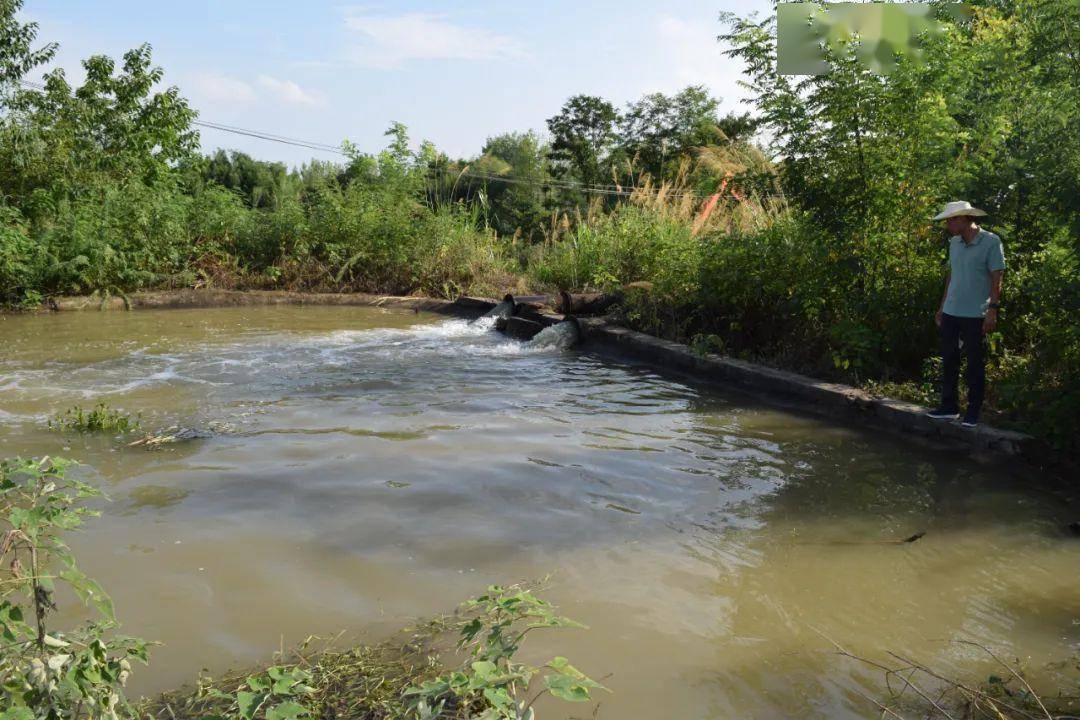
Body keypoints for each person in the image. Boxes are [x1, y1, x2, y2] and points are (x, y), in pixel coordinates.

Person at [926, 201, 1006, 428]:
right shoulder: (954, 243)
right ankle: (948, 407)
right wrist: (942, 307)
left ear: (964, 219)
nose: (948, 224)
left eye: (951, 220)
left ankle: (973, 411)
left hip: (976, 313)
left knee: (974, 363)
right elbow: (952, 276)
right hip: (951, 311)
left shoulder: (991, 242)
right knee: (949, 360)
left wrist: (992, 310)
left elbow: (997, 278)